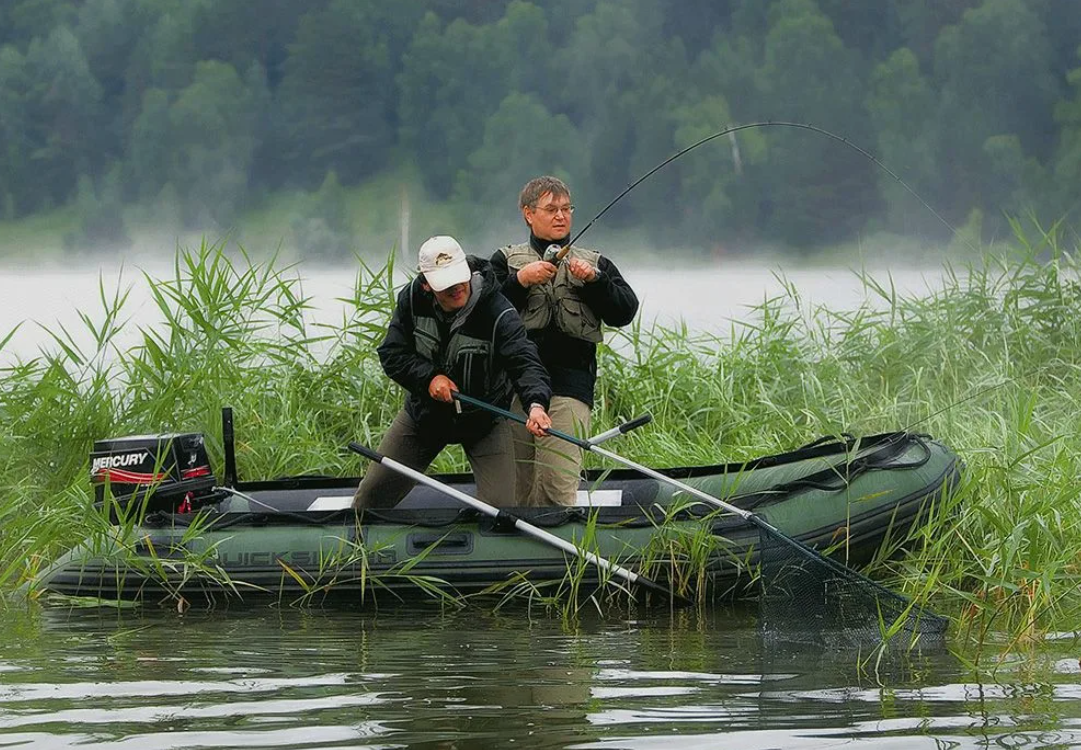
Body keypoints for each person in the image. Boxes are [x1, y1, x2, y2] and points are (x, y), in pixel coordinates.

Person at [354, 235, 553, 510]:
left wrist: (536, 405)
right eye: (445, 284)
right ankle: (357, 548)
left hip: (485, 421)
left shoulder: (499, 312)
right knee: (369, 499)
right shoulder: (412, 301)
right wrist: (429, 378)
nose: (456, 288)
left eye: (459, 278)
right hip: (423, 417)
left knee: (501, 509)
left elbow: (525, 362)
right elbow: (392, 353)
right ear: (426, 284)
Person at [490, 176, 639, 507]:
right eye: (551, 209)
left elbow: (625, 311)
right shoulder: (504, 261)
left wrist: (596, 282)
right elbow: (481, 310)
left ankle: (562, 554)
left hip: (570, 389)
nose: (561, 216)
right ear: (528, 213)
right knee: (518, 489)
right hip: (514, 390)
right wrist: (519, 281)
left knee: (557, 486)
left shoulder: (596, 263)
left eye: (566, 208)